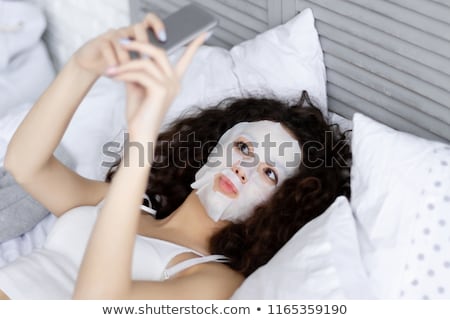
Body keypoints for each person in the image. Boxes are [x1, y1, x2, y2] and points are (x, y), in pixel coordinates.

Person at [0, 14, 350, 300]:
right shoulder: (128, 204)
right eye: (245, 148)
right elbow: (26, 165)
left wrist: (142, 138)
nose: (244, 170)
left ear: (281, 207)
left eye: (269, 173)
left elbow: (97, 304)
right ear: (216, 145)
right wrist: (81, 68)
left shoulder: (215, 281)